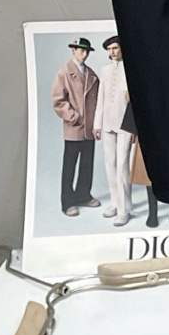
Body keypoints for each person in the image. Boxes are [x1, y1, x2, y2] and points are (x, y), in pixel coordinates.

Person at [51, 38, 101, 218]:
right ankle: (67, 202)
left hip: (90, 128)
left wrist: (97, 123)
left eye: (87, 51)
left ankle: (83, 195)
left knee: (87, 164)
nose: (84, 54)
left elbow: (99, 101)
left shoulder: (92, 74)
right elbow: (58, 101)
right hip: (74, 127)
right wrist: (74, 117)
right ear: (73, 50)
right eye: (81, 50)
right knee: (69, 166)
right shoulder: (64, 73)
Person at [94, 35, 136, 226]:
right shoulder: (105, 70)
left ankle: (124, 209)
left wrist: (134, 128)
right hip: (107, 123)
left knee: (122, 165)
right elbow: (101, 98)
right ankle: (114, 202)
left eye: (115, 48)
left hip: (125, 124)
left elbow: (134, 102)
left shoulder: (132, 68)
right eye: (109, 49)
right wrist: (97, 124)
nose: (112, 52)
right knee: (109, 164)